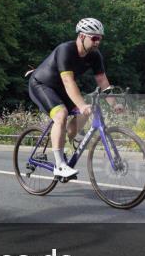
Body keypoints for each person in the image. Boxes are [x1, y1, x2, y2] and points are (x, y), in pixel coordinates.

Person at [28, 18, 115, 180]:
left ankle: (68, 145)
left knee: (84, 114)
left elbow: (103, 81)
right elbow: (68, 81)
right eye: (94, 38)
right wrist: (81, 105)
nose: (97, 42)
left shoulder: (94, 56)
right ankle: (60, 165)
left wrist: (114, 104)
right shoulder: (65, 50)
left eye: (100, 38)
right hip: (42, 85)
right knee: (61, 115)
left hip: (62, 89)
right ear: (82, 36)